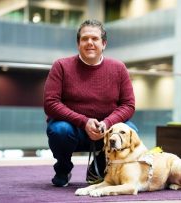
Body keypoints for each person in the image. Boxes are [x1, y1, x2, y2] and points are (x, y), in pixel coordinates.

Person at [43, 19, 138, 187]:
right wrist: (84, 121)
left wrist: (107, 123)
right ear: (78, 43)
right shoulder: (61, 66)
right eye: (85, 38)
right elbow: (51, 103)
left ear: (104, 43)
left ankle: (101, 166)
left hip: (106, 130)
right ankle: (63, 169)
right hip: (74, 130)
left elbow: (128, 105)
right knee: (59, 130)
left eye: (95, 39)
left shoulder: (118, 68)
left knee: (130, 129)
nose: (90, 43)